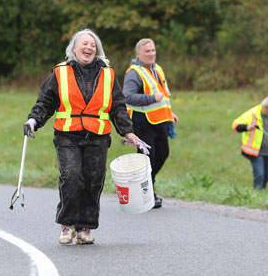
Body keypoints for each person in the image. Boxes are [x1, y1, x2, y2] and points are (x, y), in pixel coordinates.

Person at [24, 28, 142, 245]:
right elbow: (46, 101)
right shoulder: (60, 72)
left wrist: (128, 131)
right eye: (84, 44)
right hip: (67, 134)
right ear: (74, 48)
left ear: (96, 51)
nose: (89, 47)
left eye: (92, 45)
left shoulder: (108, 73)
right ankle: (67, 224)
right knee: (71, 177)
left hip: (97, 135)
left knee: (93, 180)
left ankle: (85, 227)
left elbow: (118, 106)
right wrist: (34, 120)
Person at [123, 38, 178, 209]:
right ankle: (147, 193)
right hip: (142, 121)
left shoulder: (157, 69)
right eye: (147, 51)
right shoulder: (134, 72)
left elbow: (163, 96)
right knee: (147, 158)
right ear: (138, 54)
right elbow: (127, 96)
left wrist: (170, 113)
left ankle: (144, 187)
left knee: (163, 153)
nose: (151, 54)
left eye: (153, 50)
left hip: (159, 120)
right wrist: (151, 98)